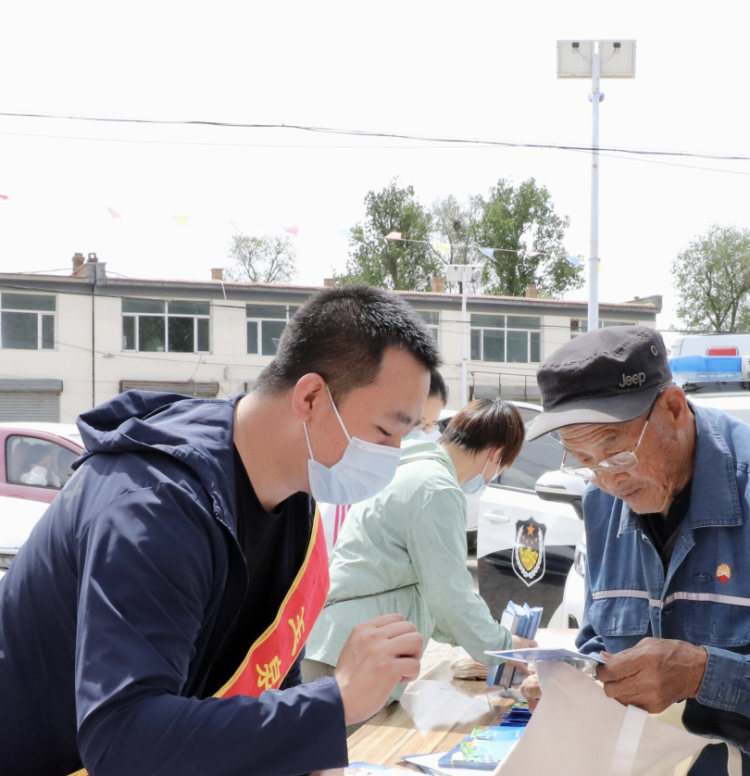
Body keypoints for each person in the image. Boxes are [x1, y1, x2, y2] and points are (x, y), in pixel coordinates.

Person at [0, 285, 439, 776]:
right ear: (312, 397)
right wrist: (333, 702)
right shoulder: (155, 504)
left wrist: (309, 754)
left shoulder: (295, 497)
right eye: (385, 432)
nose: (394, 456)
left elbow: (270, 671)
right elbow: (122, 739)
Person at [520, 326, 750, 776]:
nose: (609, 479)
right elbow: (599, 644)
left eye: (615, 453)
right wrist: (568, 685)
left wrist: (705, 674)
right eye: (583, 461)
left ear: (673, 409)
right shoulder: (602, 501)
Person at [303, 398, 536, 692]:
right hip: (355, 651)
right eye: (502, 466)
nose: (494, 475)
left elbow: (431, 594)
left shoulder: (409, 469)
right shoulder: (436, 488)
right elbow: (448, 592)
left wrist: (478, 639)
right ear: (496, 454)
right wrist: (501, 645)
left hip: (341, 641)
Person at [320, 369, 449, 555]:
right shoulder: (351, 474)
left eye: (428, 426)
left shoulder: (405, 472)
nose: (413, 434)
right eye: (416, 425)